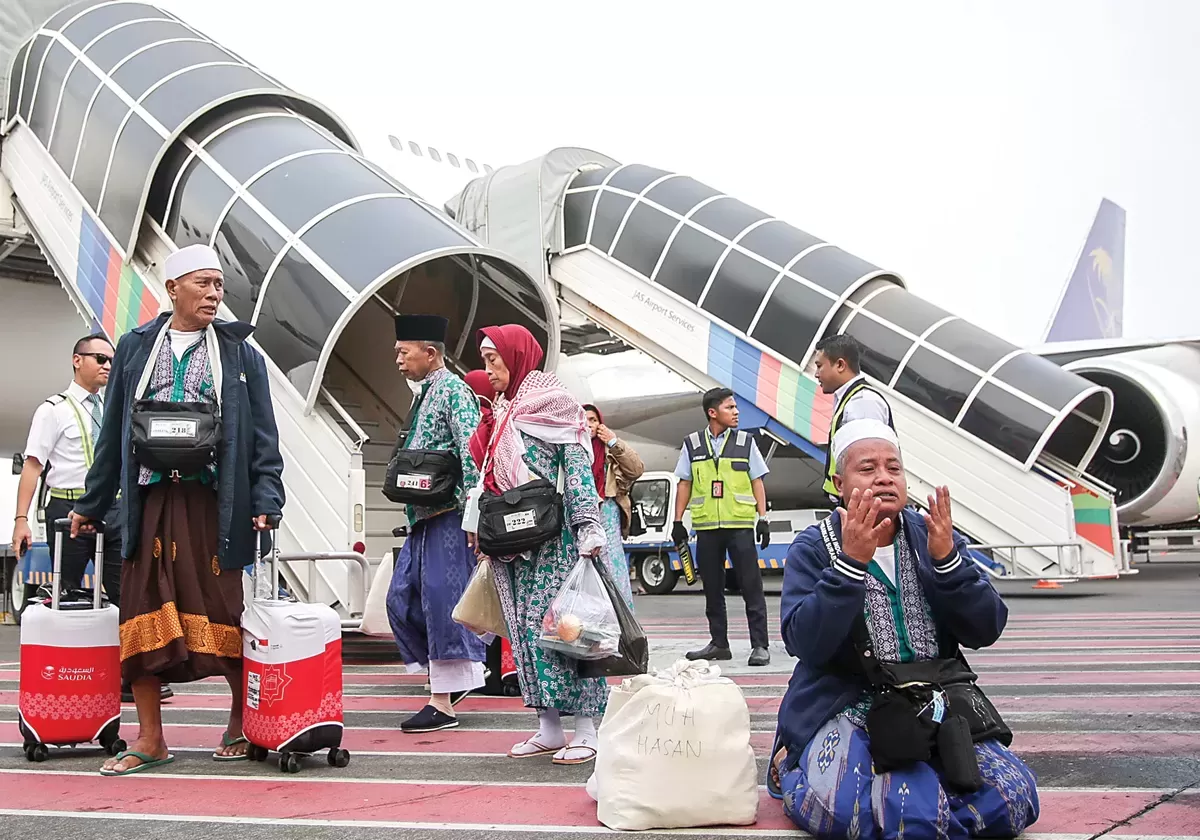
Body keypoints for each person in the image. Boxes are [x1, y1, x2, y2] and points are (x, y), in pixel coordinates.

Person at [69, 243, 285, 775]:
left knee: (223, 609)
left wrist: (267, 497)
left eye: (219, 286)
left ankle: (240, 720)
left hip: (213, 502)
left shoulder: (238, 353)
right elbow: (114, 431)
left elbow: (262, 435)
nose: (214, 294)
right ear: (172, 289)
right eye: (203, 284)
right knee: (138, 610)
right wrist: (94, 504)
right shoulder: (136, 347)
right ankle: (149, 738)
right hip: (150, 503)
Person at [768, 419, 1039, 838]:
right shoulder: (815, 546)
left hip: (936, 701)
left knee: (1011, 799)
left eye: (893, 468)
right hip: (849, 704)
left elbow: (986, 628)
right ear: (840, 482)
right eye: (868, 468)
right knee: (868, 813)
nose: (883, 478)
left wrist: (949, 564)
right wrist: (849, 566)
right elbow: (804, 642)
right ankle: (790, 764)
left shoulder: (933, 535)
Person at [467, 324, 611, 767]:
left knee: (570, 632)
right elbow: (486, 480)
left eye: (495, 360)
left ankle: (588, 728)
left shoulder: (556, 404)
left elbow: (578, 467)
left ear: (518, 355)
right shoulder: (504, 412)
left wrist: (588, 526)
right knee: (528, 633)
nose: (489, 370)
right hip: (511, 542)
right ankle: (549, 727)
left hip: (554, 539)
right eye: (486, 361)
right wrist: (480, 531)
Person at [11, 335, 173, 703]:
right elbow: (34, 466)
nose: (106, 366)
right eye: (99, 358)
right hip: (67, 513)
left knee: (125, 596)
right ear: (76, 360)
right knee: (63, 597)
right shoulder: (53, 410)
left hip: (115, 511)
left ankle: (132, 678)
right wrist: (21, 519)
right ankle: (59, 675)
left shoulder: (114, 409)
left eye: (111, 360)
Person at [385, 315, 487, 733]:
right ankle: (451, 681)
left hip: (448, 518)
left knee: (443, 606)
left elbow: (471, 454)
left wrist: (473, 516)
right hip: (422, 518)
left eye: (403, 352)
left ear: (430, 353)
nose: (397, 360)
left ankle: (441, 699)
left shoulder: (454, 392)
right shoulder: (424, 395)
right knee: (401, 599)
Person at [671, 388, 772, 667]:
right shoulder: (692, 444)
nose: (736, 412)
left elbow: (757, 481)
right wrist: (677, 521)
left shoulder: (745, 442)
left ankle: (760, 645)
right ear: (713, 413)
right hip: (706, 528)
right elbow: (685, 483)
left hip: (739, 525)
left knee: (752, 587)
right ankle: (719, 644)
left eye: (736, 407)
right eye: (730, 408)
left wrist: (763, 519)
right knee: (712, 588)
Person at [464, 370, 520, 699]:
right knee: (495, 598)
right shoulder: (488, 422)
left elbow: (481, 479)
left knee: (499, 599)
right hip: (487, 523)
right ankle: (500, 673)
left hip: (496, 523)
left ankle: (505, 674)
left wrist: (475, 524)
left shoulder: (497, 422)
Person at [813, 334, 895, 505]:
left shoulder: (862, 402)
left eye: (820, 366)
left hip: (860, 504)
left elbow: (869, 460)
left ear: (841, 365)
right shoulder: (852, 399)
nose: (816, 374)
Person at [582, 404, 644, 608]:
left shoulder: (609, 449)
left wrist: (613, 440)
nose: (589, 424)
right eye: (585, 419)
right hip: (580, 515)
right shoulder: (571, 447)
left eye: (593, 420)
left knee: (612, 568)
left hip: (607, 511)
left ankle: (621, 619)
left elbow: (636, 469)